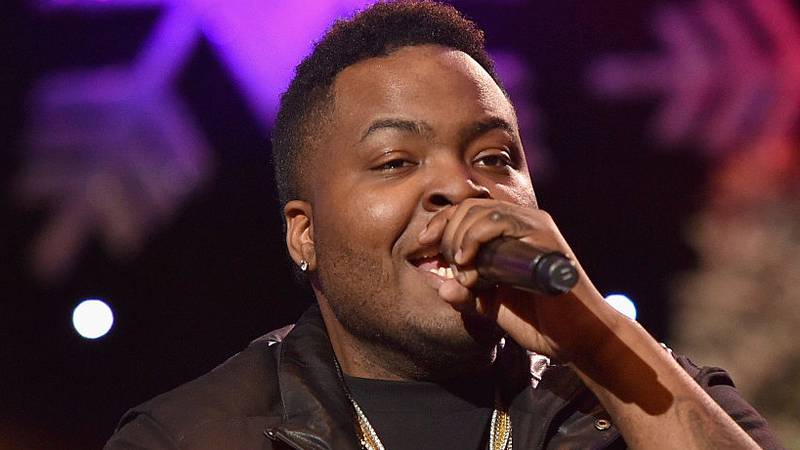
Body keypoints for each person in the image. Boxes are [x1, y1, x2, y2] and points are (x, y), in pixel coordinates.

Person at [105, 1, 782, 449]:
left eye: (494, 157)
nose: (461, 187)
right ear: (303, 234)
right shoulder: (193, 435)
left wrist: (599, 347)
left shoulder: (638, 394)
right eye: (397, 160)